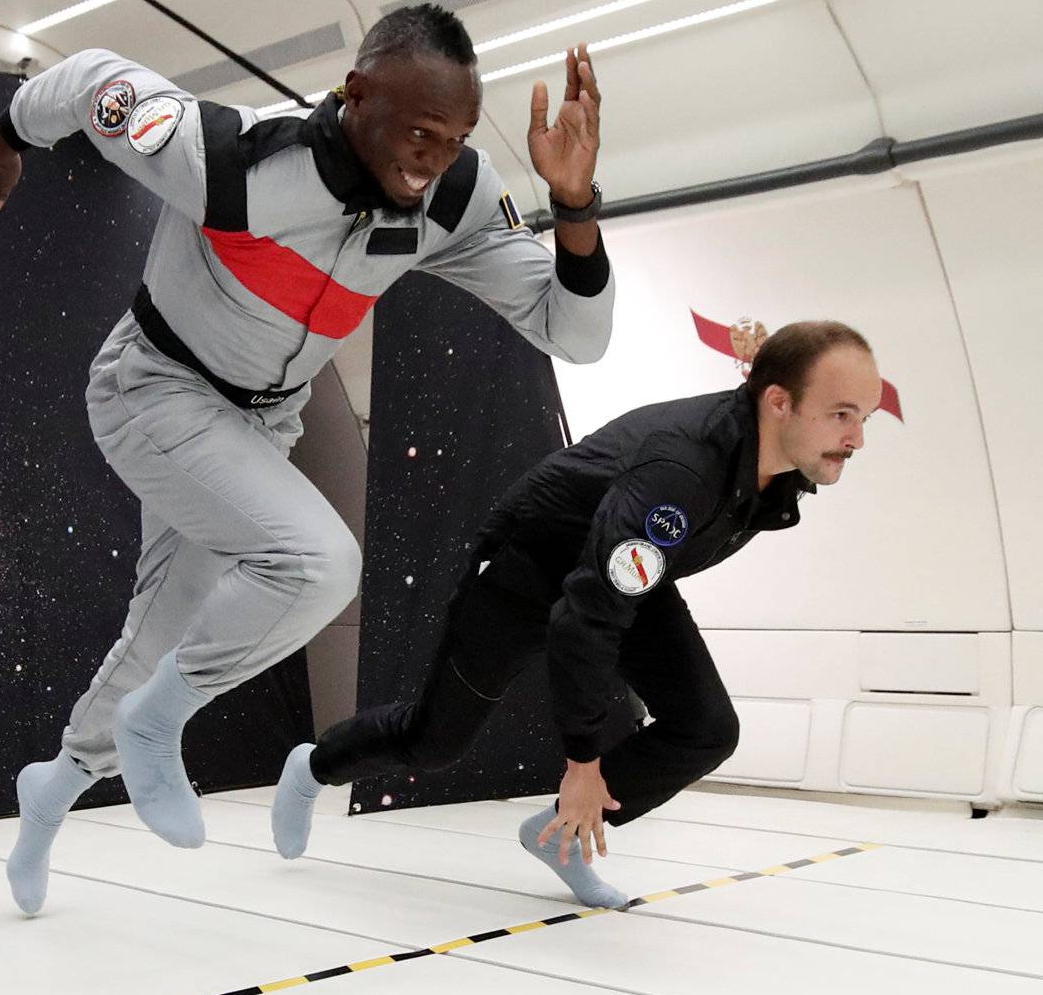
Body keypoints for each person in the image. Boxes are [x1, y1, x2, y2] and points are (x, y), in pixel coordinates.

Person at [0, 4, 615, 914]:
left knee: (158, 633)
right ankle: (160, 722)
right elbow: (91, 75)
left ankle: (50, 794)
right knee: (319, 560)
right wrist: (9, 131)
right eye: (418, 132)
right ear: (355, 97)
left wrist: (575, 205)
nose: (433, 160)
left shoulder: (452, 198)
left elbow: (573, 332)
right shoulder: (227, 159)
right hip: (153, 390)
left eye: (454, 137)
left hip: (259, 428)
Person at [273, 322, 885, 907]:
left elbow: (613, 588)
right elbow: (584, 618)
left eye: (862, 417)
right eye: (841, 415)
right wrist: (583, 764)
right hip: (523, 576)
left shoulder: (773, 467)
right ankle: (314, 766)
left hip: (620, 574)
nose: (857, 439)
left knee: (707, 728)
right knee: (434, 743)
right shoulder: (682, 470)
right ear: (779, 403)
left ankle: (559, 837)